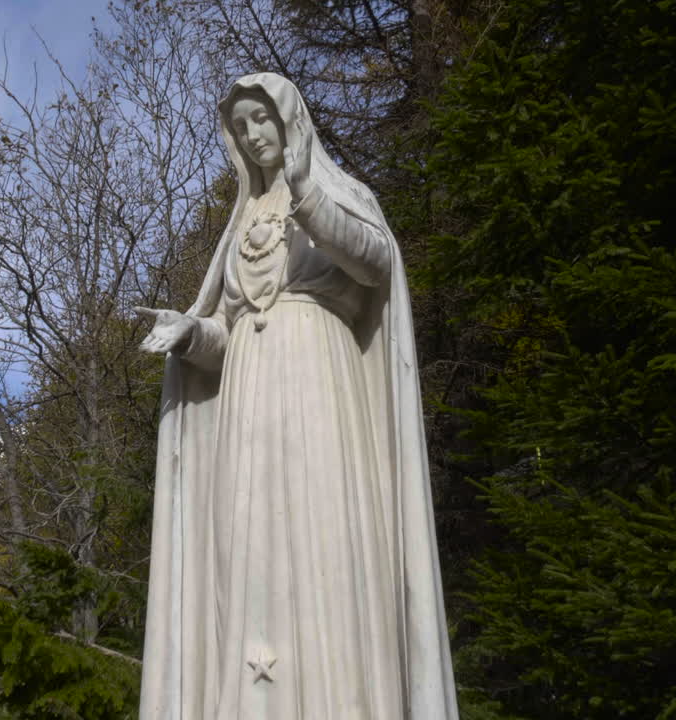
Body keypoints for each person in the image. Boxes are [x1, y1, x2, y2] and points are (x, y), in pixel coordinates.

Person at [135, 72, 458, 719]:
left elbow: (374, 262)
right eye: (241, 126)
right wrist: (190, 333)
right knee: (247, 542)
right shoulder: (240, 225)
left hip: (318, 374)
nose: (254, 134)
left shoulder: (340, 194)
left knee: (323, 529)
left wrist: (307, 190)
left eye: (262, 118)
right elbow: (226, 330)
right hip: (247, 392)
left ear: (290, 119)